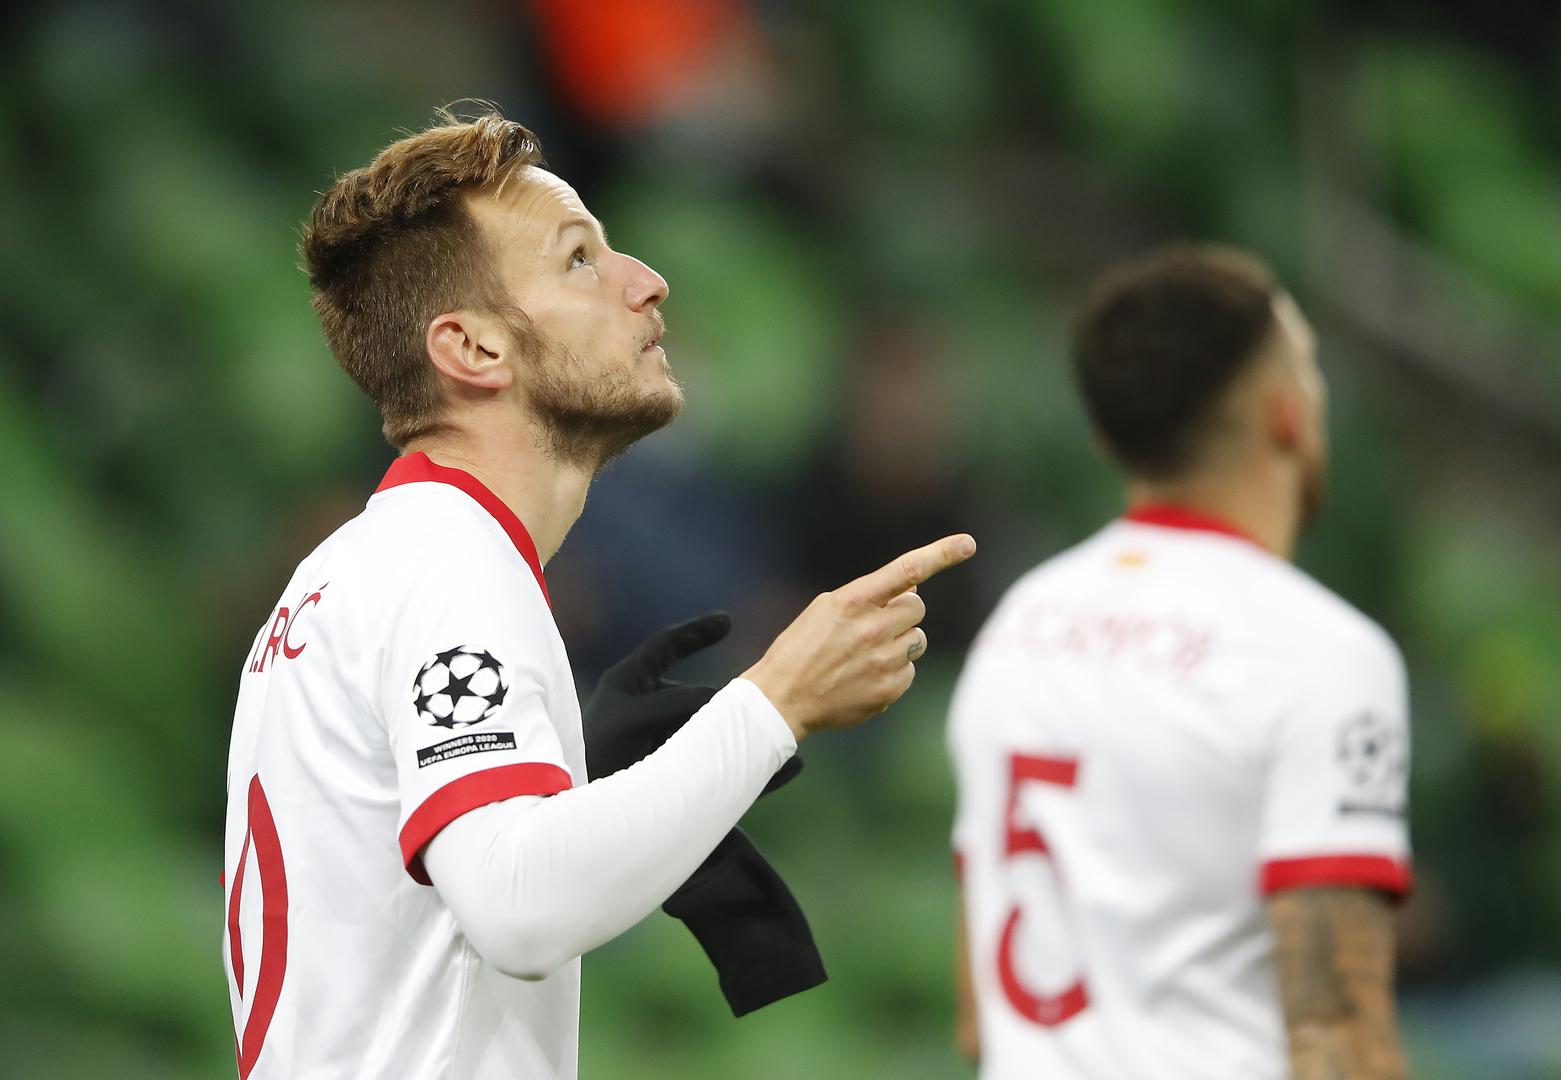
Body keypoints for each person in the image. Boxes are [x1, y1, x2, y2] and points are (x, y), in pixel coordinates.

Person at [221, 108, 975, 1080]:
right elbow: (518, 908)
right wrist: (774, 700)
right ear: (475, 350)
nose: (645, 281)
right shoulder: (449, 564)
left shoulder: (360, 571)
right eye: (579, 261)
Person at [946, 246, 1411, 1079]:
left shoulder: (1018, 626)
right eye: (1307, 367)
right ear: (1286, 415)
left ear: (1105, 435)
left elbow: (981, 1019)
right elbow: (1337, 1035)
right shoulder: (1322, 654)